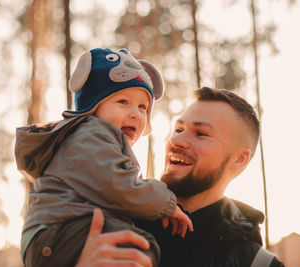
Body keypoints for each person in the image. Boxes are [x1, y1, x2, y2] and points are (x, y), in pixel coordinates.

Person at [15, 48, 193, 267]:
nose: (136, 113)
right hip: (58, 233)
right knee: (141, 246)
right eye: (123, 102)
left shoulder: (99, 140)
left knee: (138, 247)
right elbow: (118, 186)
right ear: (93, 107)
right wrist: (166, 203)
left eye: (143, 107)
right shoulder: (91, 133)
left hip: (56, 236)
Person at [76, 87, 285, 267]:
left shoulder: (259, 264)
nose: (177, 141)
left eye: (201, 133)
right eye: (178, 129)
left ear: (239, 159)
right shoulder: (102, 218)